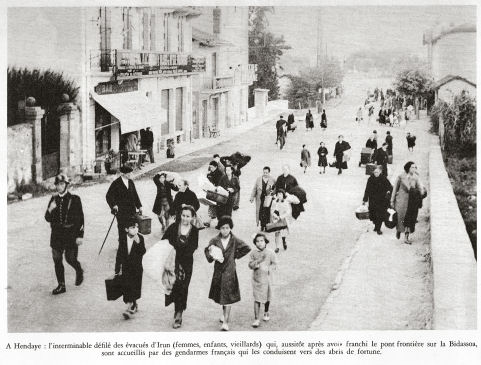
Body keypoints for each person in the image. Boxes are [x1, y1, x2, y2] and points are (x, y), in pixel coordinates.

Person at [205, 216, 251, 331]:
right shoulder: (215, 240)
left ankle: (226, 321)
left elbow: (246, 248)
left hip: (230, 271)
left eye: (227, 228)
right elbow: (207, 251)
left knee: (228, 296)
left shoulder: (234, 240)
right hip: (219, 271)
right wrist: (212, 256)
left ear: (230, 228)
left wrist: (235, 256)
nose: (225, 230)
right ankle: (224, 314)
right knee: (222, 294)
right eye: (222, 228)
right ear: (219, 228)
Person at [45, 174, 84, 295]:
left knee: (70, 259)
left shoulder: (75, 199)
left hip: (71, 234)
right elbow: (47, 218)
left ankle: (79, 270)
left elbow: (80, 219)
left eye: (62, 184)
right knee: (57, 259)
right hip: (56, 235)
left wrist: (80, 235)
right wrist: (50, 209)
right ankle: (61, 285)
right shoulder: (53, 199)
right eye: (58, 184)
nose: (59, 186)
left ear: (66, 185)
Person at [162, 205, 199, 328]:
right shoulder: (173, 227)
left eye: (188, 216)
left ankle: (179, 314)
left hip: (186, 264)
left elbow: (193, 247)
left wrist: (181, 256)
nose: (185, 218)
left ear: (192, 217)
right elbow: (164, 241)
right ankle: (176, 310)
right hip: (173, 263)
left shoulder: (194, 231)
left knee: (183, 288)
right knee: (174, 286)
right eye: (183, 215)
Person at [106, 164, 142, 275]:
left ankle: (132, 264)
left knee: (133, 235)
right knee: (123, 238)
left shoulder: (130, 182)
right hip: (121, 213)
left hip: (131, 212)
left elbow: (135, 195)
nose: (131, 174)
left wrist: (139, 206)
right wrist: (114, 205)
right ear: (123, 174)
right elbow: (108, 196)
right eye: (130, 173)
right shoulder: (116, 183)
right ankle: (118, 267)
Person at [116, 216, 146, 320]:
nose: (135, 229)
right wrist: (117, 267)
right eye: (132, 227)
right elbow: (119, 253)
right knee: (127, 287)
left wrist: (138, 243)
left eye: (137, 227)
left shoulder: (140, 238)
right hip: (126, 267)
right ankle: (132, 304)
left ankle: (130, 307)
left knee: (134, 286)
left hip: (137, 268)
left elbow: (143, 252)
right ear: (126, 229)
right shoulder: (123, 239)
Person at [391, 162, 426, 244]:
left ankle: (406, 237)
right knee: (400, 218)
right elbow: (395, 189)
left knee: (409, 219)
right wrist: (392, 201)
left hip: (412, 201)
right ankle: (399, 230)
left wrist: (421, 193)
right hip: (401, 200)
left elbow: (420, 187)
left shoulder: (416, 177)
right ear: (408, 168)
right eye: (412, 167)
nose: (414, 169)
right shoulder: (400, 177)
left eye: (415, 167)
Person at [248, 233, 277, 328]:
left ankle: (266, 311)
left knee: (267, 297)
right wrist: (257, 263)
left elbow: (274, 263)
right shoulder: (253, 253)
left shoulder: (270, 252)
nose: (260, 243)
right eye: (257, 241)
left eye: (262, 241)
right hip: (257, 279)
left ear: (265, 242)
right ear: (255, 243)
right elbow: (250, 265)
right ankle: (256, 319)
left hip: (267, 279)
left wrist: (270, 269)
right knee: (257, 298)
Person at [362, 166, 393, 235]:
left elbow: (390, 187)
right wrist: (365, 199)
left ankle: (378, 228)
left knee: (380, 214)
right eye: (375, 172)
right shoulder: (370, 179)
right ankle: (376, 226)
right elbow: (367, 189)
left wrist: (388, 192)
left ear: (380, 172)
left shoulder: (383, 178)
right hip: (373, 199)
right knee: (373, 214)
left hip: (382, 200)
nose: (376, 173)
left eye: (377, 172)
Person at [250, 166, 276, 231]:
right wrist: (252, 197)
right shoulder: (258, 179)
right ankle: (262, 225)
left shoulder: (272, 179)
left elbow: (276, 188)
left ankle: (267, 226)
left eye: (266, 173)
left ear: (269, 173)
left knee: (267, 212)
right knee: (261, 212)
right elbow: (254, 188)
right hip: (260, 199)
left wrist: (273, 192)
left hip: (268, 199)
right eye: (264, 172)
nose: (265, 174)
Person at [204, 161, 225, 228]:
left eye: (212, 167)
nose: (210, 168)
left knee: (218, 208)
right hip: (212, 192)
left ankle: (219, 223)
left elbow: (220, 184)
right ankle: (209, 221)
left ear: (216, 167)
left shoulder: (219, 174)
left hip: (218, 193)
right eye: (210, 167)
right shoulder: (211, 173)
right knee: (211, 205)